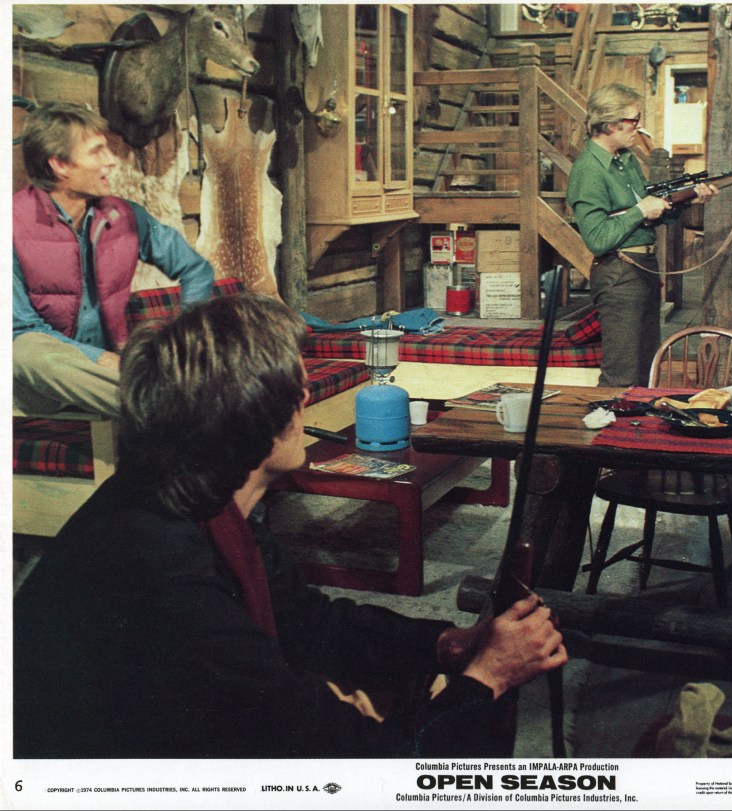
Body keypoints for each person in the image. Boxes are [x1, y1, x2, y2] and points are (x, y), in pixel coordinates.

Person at [13, 294, 567, 758]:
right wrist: (488, 677)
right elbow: (366, 767)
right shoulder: (164, 575)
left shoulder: (198, 494)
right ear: (247, 414)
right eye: (293, 388)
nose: (305, 397)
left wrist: (446, 645)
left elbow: (309, 621)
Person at [13, 101, 214, 418]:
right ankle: (182, 408)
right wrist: (101, 359)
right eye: (97, 152)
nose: (111, 161)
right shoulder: (11, 224)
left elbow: (195, 269)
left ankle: (175, 407)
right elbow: (18, 329)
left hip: (110, 378)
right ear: (60, 165)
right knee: (25, 351)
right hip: (38, 384)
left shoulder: (126, 216)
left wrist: (185, 339)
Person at [567, 83, 717, 387]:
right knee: (621, 375)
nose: (639, 127)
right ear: (611, 124)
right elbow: (597, 239)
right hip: (620, 273)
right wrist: (639, 210)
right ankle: (608, 418)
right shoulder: (589, 170)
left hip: (644, 270)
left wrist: (688, 200)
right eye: (634, 120)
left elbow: (649, 216)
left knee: (647, 370)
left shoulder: (626, 159)